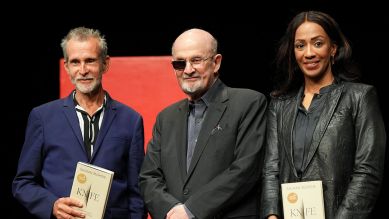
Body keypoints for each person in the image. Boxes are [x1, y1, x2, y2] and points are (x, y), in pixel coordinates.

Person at [261, 11, 386, 219]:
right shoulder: (279, 105)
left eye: (317, 43)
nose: (308, 53)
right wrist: (271, 215)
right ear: (293, 52)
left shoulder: (359, 97)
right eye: (300, 45)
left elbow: (368, 172)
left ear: (333, 49)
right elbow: (271, 169)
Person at [12, 27, 146, 219]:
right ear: (66, 67)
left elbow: (137, 192)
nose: (83, 70)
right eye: (75, 62)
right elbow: (23, 183)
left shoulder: (130, 120)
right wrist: (51, 205)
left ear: (105, 64)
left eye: (90, 61)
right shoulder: (42, 117)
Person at [139, 28, 267, 219]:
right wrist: (171, 211)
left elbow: (245, 170)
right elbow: (149, 177)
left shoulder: (249, 102)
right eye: (180, 63)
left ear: (216, 63)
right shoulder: (166, 118)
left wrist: (191, 211)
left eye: (196, 60)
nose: (188, 69)